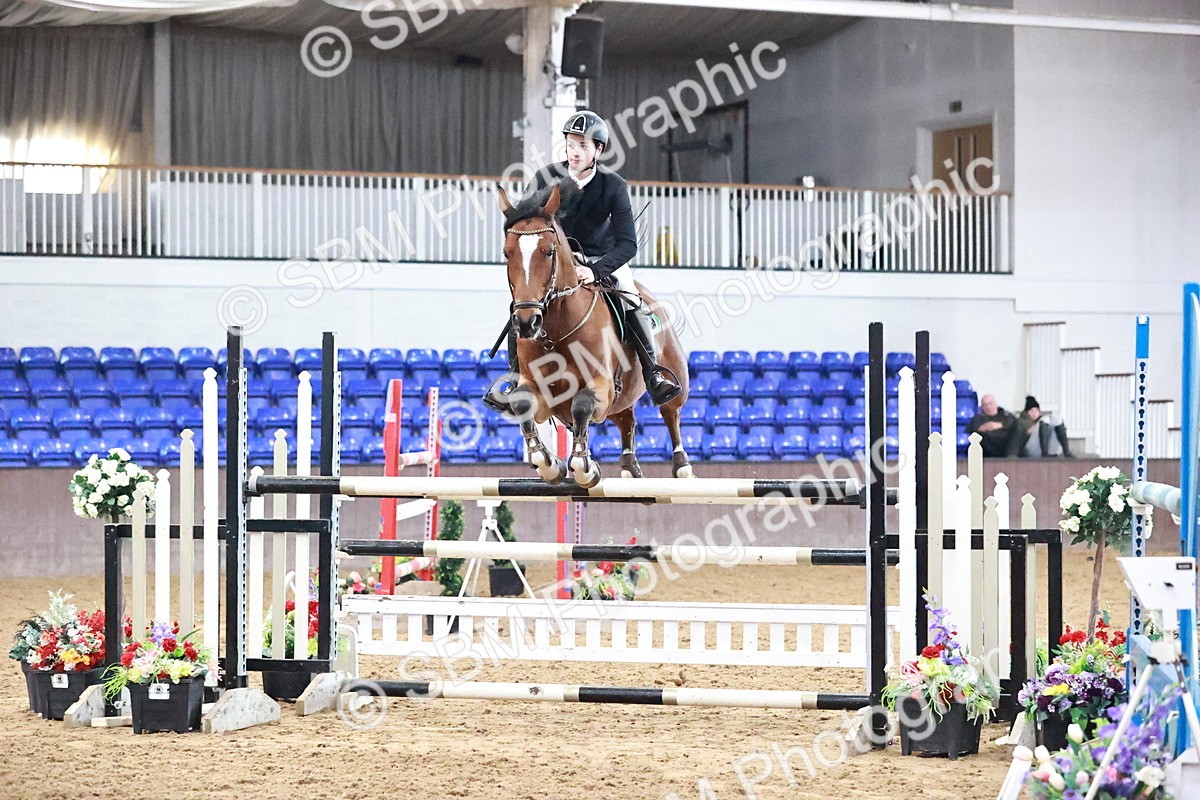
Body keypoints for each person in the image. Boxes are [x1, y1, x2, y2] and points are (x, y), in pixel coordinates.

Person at [484, 110, 682, 412]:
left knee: (632, 300)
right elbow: (526, 225)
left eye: (583, 146)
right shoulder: (545, 178)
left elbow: (628, 243)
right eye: (571, 145)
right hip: (554, 260)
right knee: (524, 303)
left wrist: (595, 270)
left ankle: (653, 372)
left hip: (602, 258)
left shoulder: (612, 185)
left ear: (598, 150)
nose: (574, 152)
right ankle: (515, 377)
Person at [1009, 395, 1073, 458]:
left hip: (1050, 449)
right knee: (1044, 420)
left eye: (1036, 411)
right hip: (1030, 450)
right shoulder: (1021, 422)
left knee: (1056, 419)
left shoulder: (1046, 420)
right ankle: (1044, 453)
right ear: (1027, 412)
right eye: (1031, 411)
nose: (1034, 413)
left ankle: (1066, 452)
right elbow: (1016, 440)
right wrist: (1028, 432)